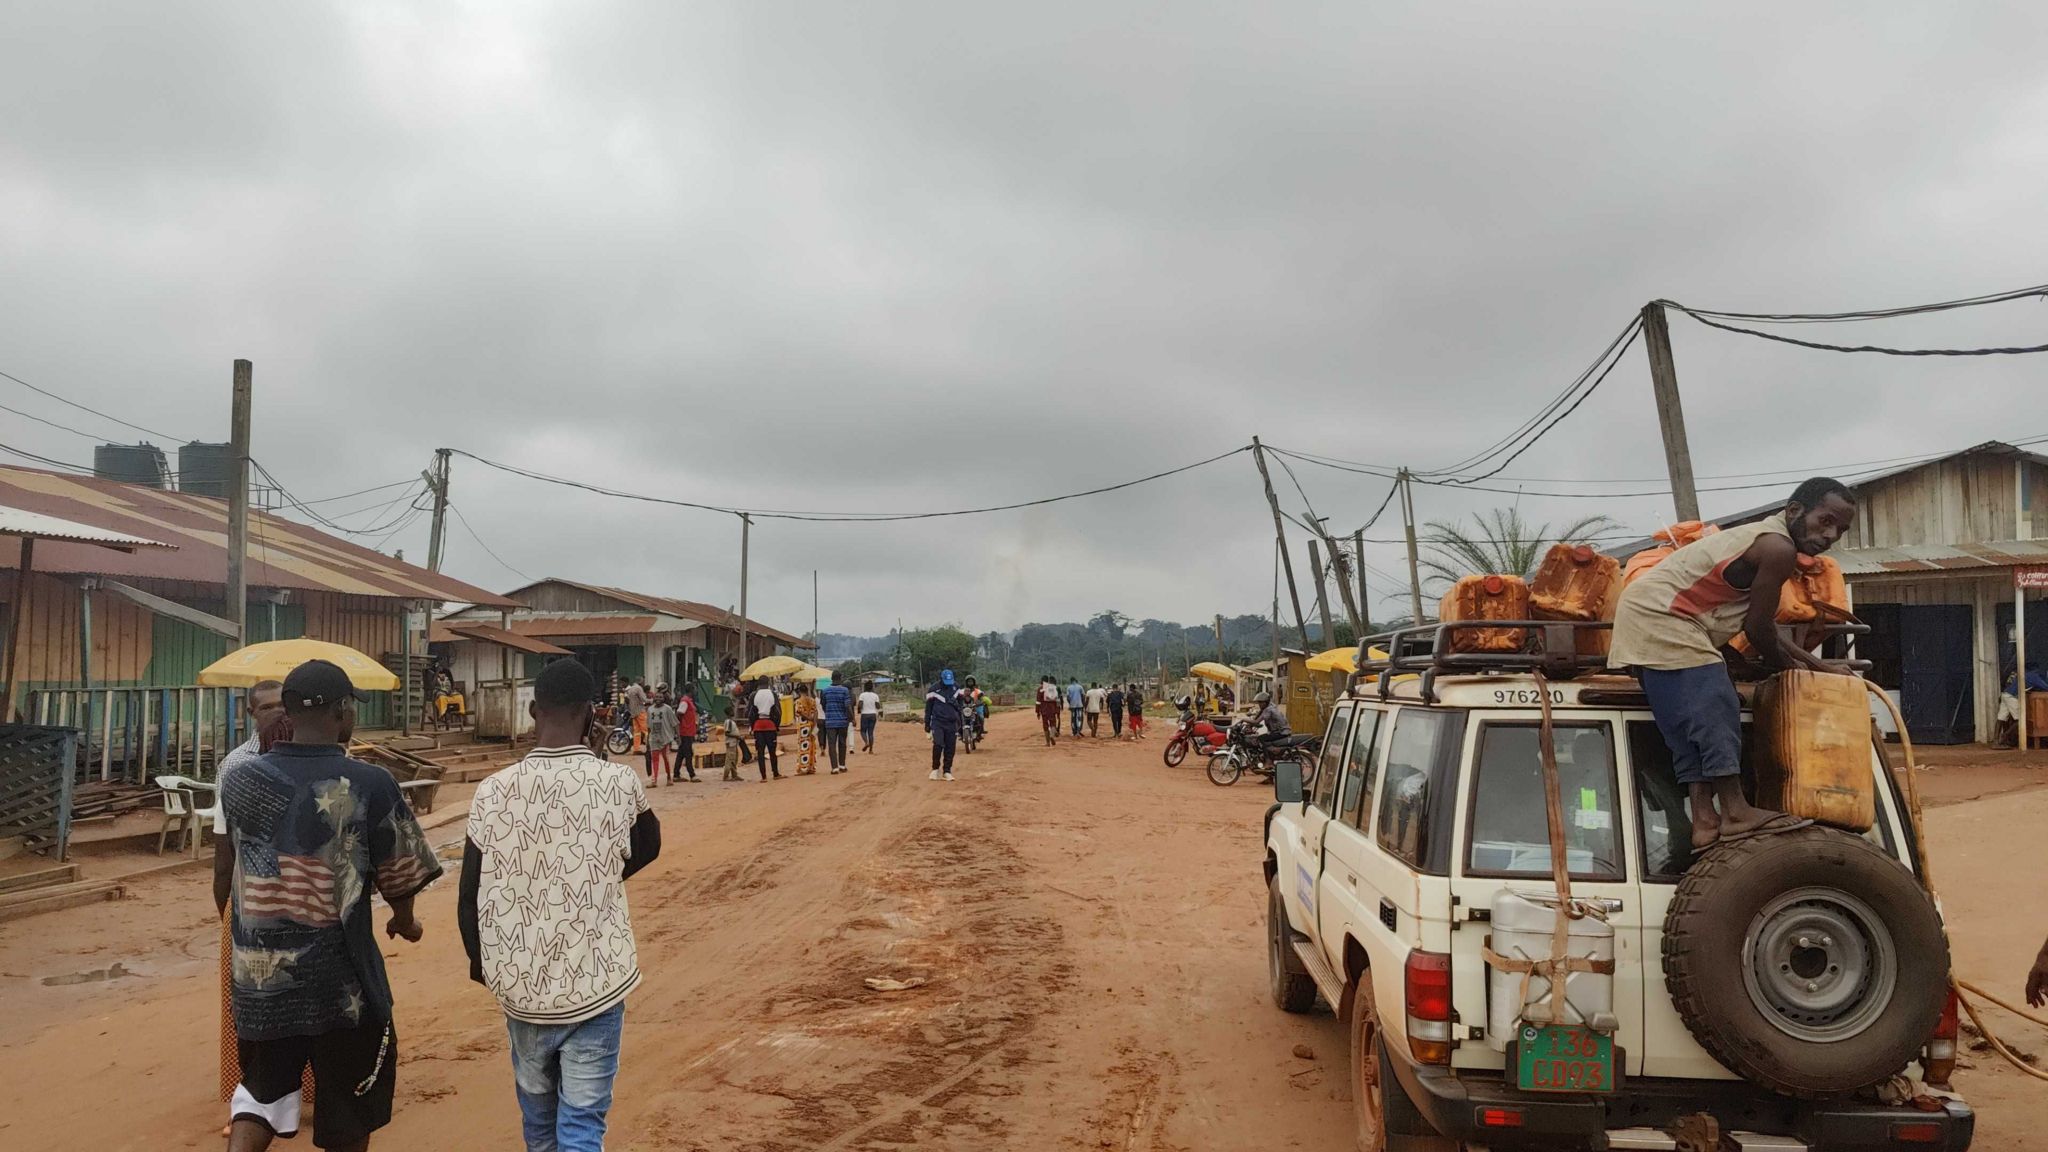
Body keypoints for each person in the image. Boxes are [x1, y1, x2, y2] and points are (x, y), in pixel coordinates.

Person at [217, 659, 442, 1152]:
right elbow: (401, 876)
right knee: (347, 1114)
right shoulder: (370, 783)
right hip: (340, 986)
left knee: (259, 1095)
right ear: (343, 712)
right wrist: (407, 922)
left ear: (289, 712)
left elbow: (237, 859)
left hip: (260, 978)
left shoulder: (240, 779)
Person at [460, 657, 660, 1152]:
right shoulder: (617, 783)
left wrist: (484, 966)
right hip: (596, 983)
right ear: (592, 715)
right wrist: (599, 875)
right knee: (582, 1124)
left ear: (532, 711)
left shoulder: (491, 792)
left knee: (539, 1123)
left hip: (522, 989)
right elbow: (649, 843)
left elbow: (470, 893)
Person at [1608, 477, 1857, 851]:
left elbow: (1764, 626)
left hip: (1644, 616)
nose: (1831, 535)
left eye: (1840, 529)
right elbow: (1757, 630)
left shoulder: (1767, 541)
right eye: (1825, 521)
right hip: (1665, 617)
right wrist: (1803, 672)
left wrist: (1818, 669)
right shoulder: (1777, 548)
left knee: (1688, 728)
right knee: (1717, 705)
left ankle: (1705, 821)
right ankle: (1737, 811)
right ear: (1794, 511)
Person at [215, 681, 296, 1127]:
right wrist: (228, 917)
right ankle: (253, 1098)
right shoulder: (236, 767)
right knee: (253, 1010)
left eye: (283, 704)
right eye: (265, 707)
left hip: (303, 907)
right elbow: (222, 855)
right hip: (251, 909)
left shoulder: (316, 759)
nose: (275, 713)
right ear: (250, 713)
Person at [925, 669, 965, 781]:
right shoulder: (933, 689)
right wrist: (927, 726)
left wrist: (957, 710)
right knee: (938, 744)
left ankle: (947, 771)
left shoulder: (957, 688)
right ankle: (935, 769)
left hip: (952, 722)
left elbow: (961, 705)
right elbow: (928, 709)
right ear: (941, 679)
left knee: (950, 747)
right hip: (938, 722)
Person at [645, 689, 678, 787]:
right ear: (654, 698)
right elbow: (648, 726)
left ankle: (669, 777)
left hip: (665, 738)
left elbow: (675, 723)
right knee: (655, 759)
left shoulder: (667, 709)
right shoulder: (650, 710)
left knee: (665, 758)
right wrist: (647, 739)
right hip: (654, 737)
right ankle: (654, 781)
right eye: (657, 697)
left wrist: (677, 736)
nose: (658, 699)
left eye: (660, 697)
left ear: (664, 699)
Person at [819, 677, 853, 773]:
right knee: (842, 744)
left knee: (831, 744)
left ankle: (834, 768)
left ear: (831, 679)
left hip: (830, 722)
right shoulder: (845, 690)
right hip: (843, 721)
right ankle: (842, 765)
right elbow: (847, 706)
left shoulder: (825, 691)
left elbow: (823, 705)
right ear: (840, 678)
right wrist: (852, 718)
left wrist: (828, 712)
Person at [750, 679, 781, 779]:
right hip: (770, 725)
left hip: (758, 726)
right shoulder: (773, 694)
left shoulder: (753, 695)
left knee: (760, 752)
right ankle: (775, 773)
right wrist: (776, 726)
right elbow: (778, 712)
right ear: (768, 684)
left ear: (758, 685)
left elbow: (750, 713)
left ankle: (763, 776)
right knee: (772, 751)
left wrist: (752, 726)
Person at [792, 682, 819, 775]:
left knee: (803, 747)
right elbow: (816, 713)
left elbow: (799, 712)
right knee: (811, 746)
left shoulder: (798, 701)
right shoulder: (812, 700)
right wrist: (814, 723)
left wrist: (808, 718)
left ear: (799, 691)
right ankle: (811, 767)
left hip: (803, 726)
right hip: (811, 725)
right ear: (807, 691)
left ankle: (803, 768)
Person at [674, 688, 700, 782]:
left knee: (681, 753)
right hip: (686, 732)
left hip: (688, 731)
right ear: (691, 691)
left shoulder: (688, 701)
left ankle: (676, 774)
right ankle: (692, 774)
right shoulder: (685, 701)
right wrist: (681, 725)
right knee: (688, 753)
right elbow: (679, 714)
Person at [623, 678, 649, 754]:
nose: (644, 684)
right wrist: (652, 700)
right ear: (641, 682)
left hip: (633, 712)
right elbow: (644, 699)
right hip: (640, 711)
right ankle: (649, 746)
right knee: (646, 730)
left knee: (637, 731)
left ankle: (636, 749)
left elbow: (627, 700)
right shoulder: (638, 688)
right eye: (643, 682)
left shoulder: (631, 689)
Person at [857, 679, 882, 753]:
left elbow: (860, 705)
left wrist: (859, 710)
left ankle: (866, 742)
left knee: (863, 731)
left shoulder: (862, 695)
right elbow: (878, 706)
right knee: (870, 732)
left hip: (865, 714)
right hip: (873, 715)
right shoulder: (875, 695)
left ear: (865, 687)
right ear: (872, 687)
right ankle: (871, 750)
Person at [1035, 675, 1061, 746]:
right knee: (1053, 724)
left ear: (1042, 681)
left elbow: (1038, 702)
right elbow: (1057, 700)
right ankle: (1052, 736)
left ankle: (1047, 742)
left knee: (1045, 726)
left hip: (1044, 710)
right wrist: (1058, 710)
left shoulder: (1040, 689)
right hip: (1052, 710)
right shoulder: (1053, 688)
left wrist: (1037, 712)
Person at [721, 710, 746, 781]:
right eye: (731, 711)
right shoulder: (729, 722)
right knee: (729, 760)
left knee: (734, 759)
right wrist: (738, 736)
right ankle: (726, 776)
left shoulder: (731, 721)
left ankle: (734, 775)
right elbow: (727, 733)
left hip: (734, 743)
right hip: (731, 743)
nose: (733, 712)